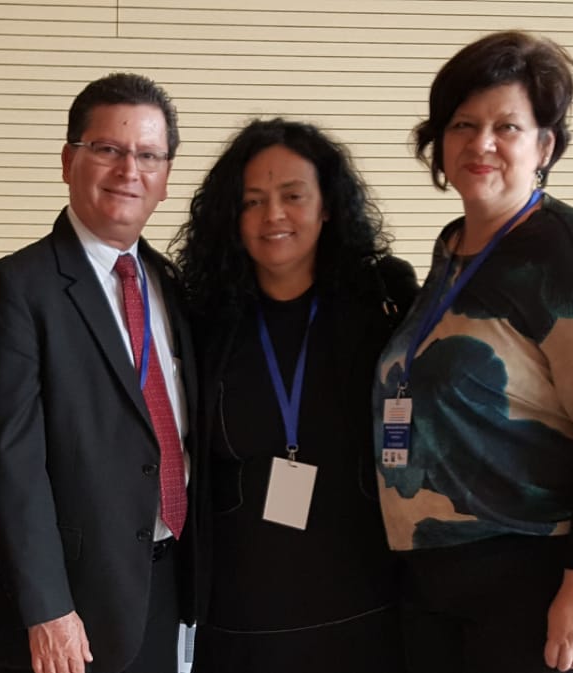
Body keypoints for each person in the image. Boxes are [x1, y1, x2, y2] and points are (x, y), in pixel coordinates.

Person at [373, 30, 573, 673]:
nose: (481, 144)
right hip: (447, 573)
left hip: (545, 567)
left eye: (507, 126)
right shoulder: (453, 251)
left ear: (544, 146)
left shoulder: (567, 249)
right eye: (463, 125)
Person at [0, 72, 196, 673]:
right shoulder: (16, 288)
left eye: (148, 155)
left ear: (166, 178)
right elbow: (9, 463)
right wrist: (47, 610)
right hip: (69, 609)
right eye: (108, 150)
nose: (128, 170)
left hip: (163, 584)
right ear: (69, 160)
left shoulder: (172, 286)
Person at [173, 119, 416, 672]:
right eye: (252, 201)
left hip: (364, 598)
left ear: (327, 205)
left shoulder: (383, 300)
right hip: (240, 613)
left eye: (292, 196)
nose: (273, 216)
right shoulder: (204, 317)